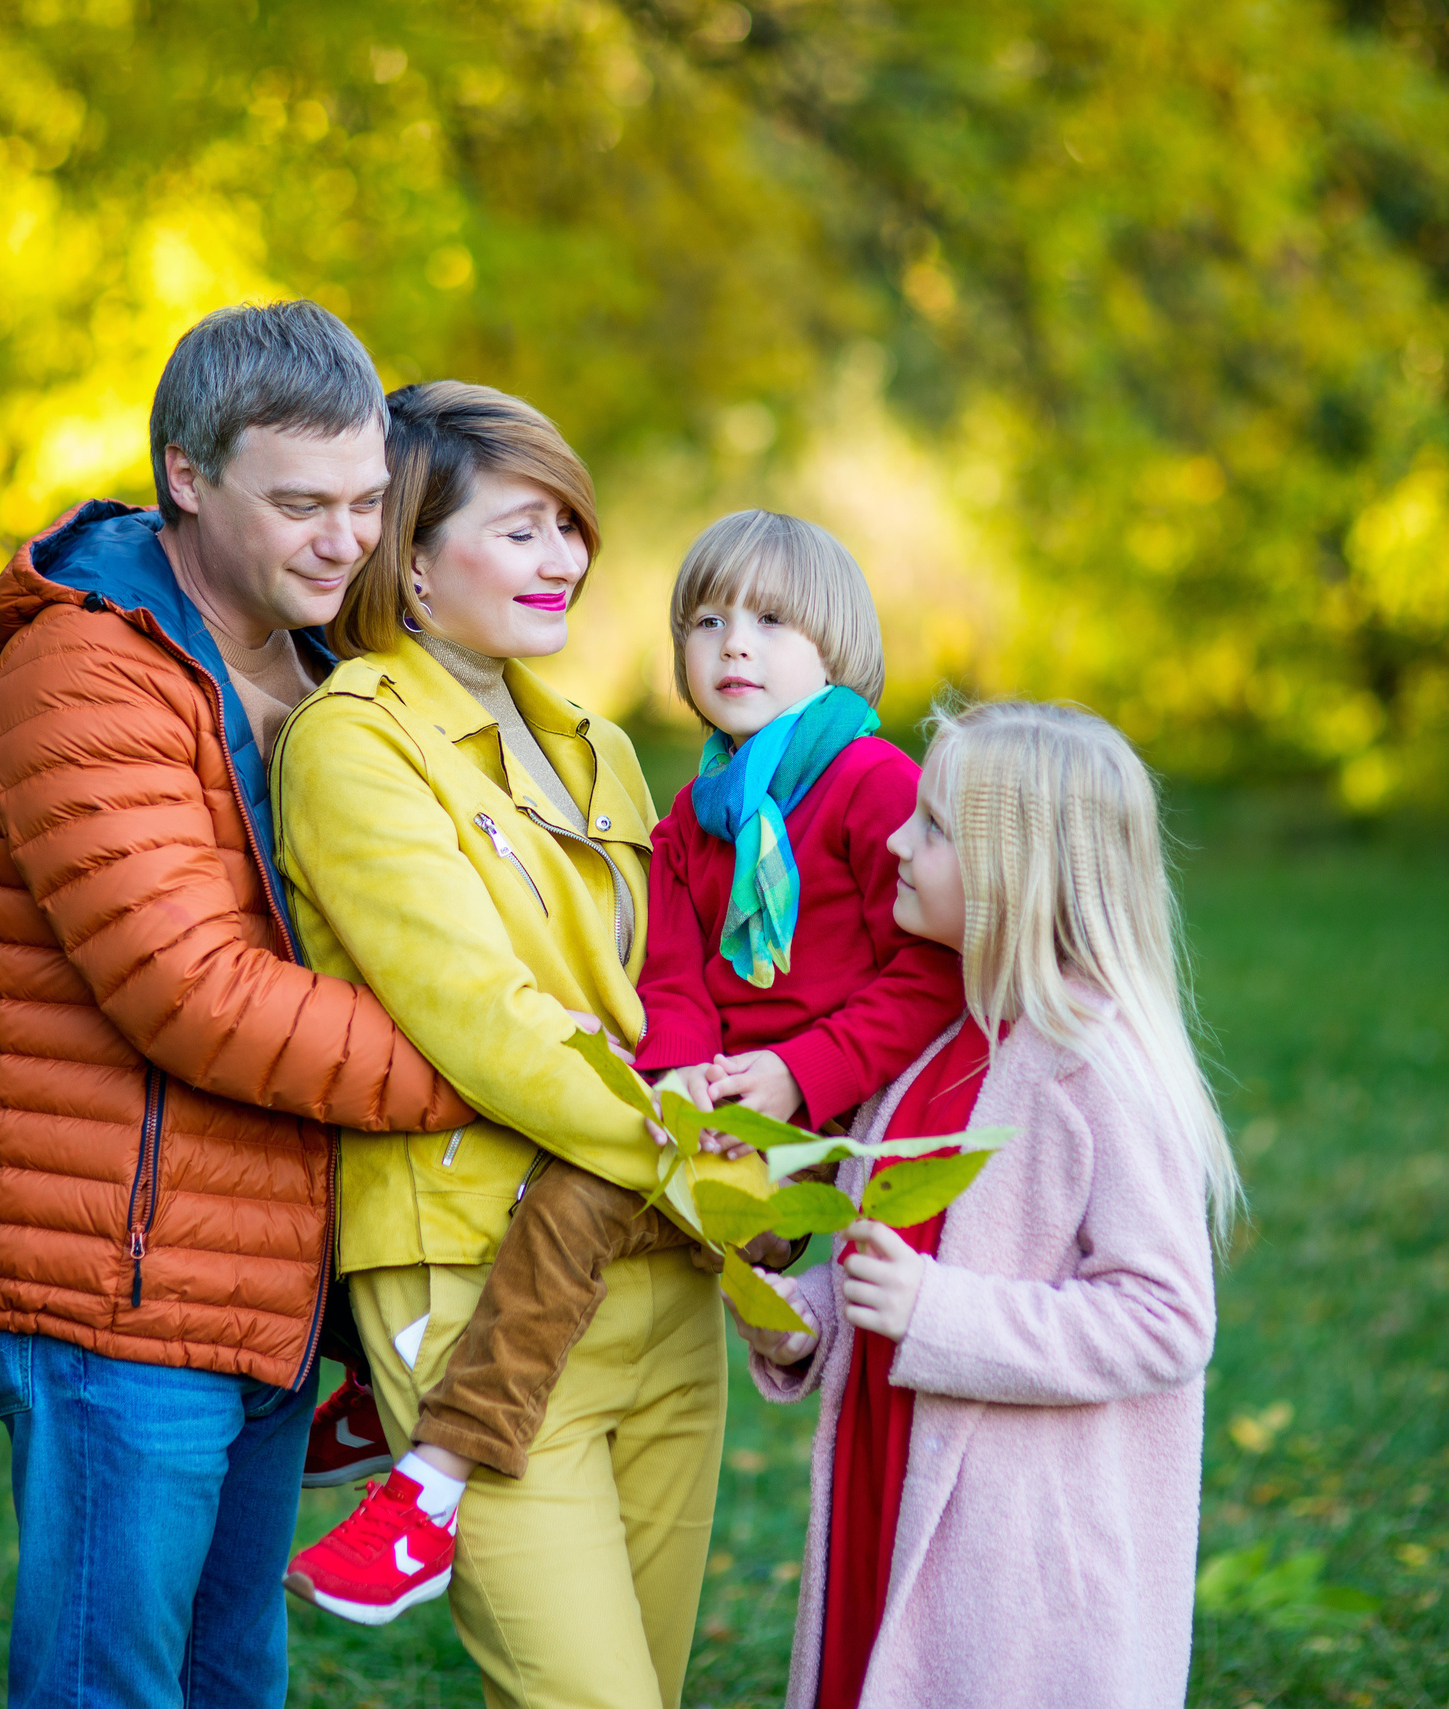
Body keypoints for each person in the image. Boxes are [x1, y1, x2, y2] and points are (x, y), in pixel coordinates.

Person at [0, 301, 472, 1709]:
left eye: (363, 501)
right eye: (299, 504)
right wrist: (488, 1069)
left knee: (235, 1680)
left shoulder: (335, 674)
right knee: (109, 1687)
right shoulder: (85, 670)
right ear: (186, 473)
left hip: (264, 1277)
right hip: (114, 1272)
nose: (344, 539)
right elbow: (197, 994)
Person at [285, 507, 965, 1618]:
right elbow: (675, 977)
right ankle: (424, 1457)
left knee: (579, 1195)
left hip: (830, 1132)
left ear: (835, 649)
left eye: (770, 621)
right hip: (719, 1114)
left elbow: (929, 974)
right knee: (573, 1199)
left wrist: (799, 1071)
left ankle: (428, 1463)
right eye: (706, 619)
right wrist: (678, 1075)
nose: (732, 644)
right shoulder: (696, 815)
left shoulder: (875, 784)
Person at [268, 381, 722, 1709]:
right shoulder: (355, 741)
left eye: (570, 527)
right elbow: (481, 1019)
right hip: (474, 1281)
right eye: (523, 530)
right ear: (409, 560)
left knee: (657, 1683)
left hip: (660, 1277)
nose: (566, 558)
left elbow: (669, 991)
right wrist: (694, 1149)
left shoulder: (603, 749)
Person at [735, 699, 1242, 1709]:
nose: (893, 841)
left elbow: (1166, 1318)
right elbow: (898, 1256)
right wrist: (811, 1319)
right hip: (890, 1485)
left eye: (931, 827)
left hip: (1021, 1559)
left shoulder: (1097, 1068)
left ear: (1020, 872)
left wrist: (936, 1312)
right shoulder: (934, 1042)